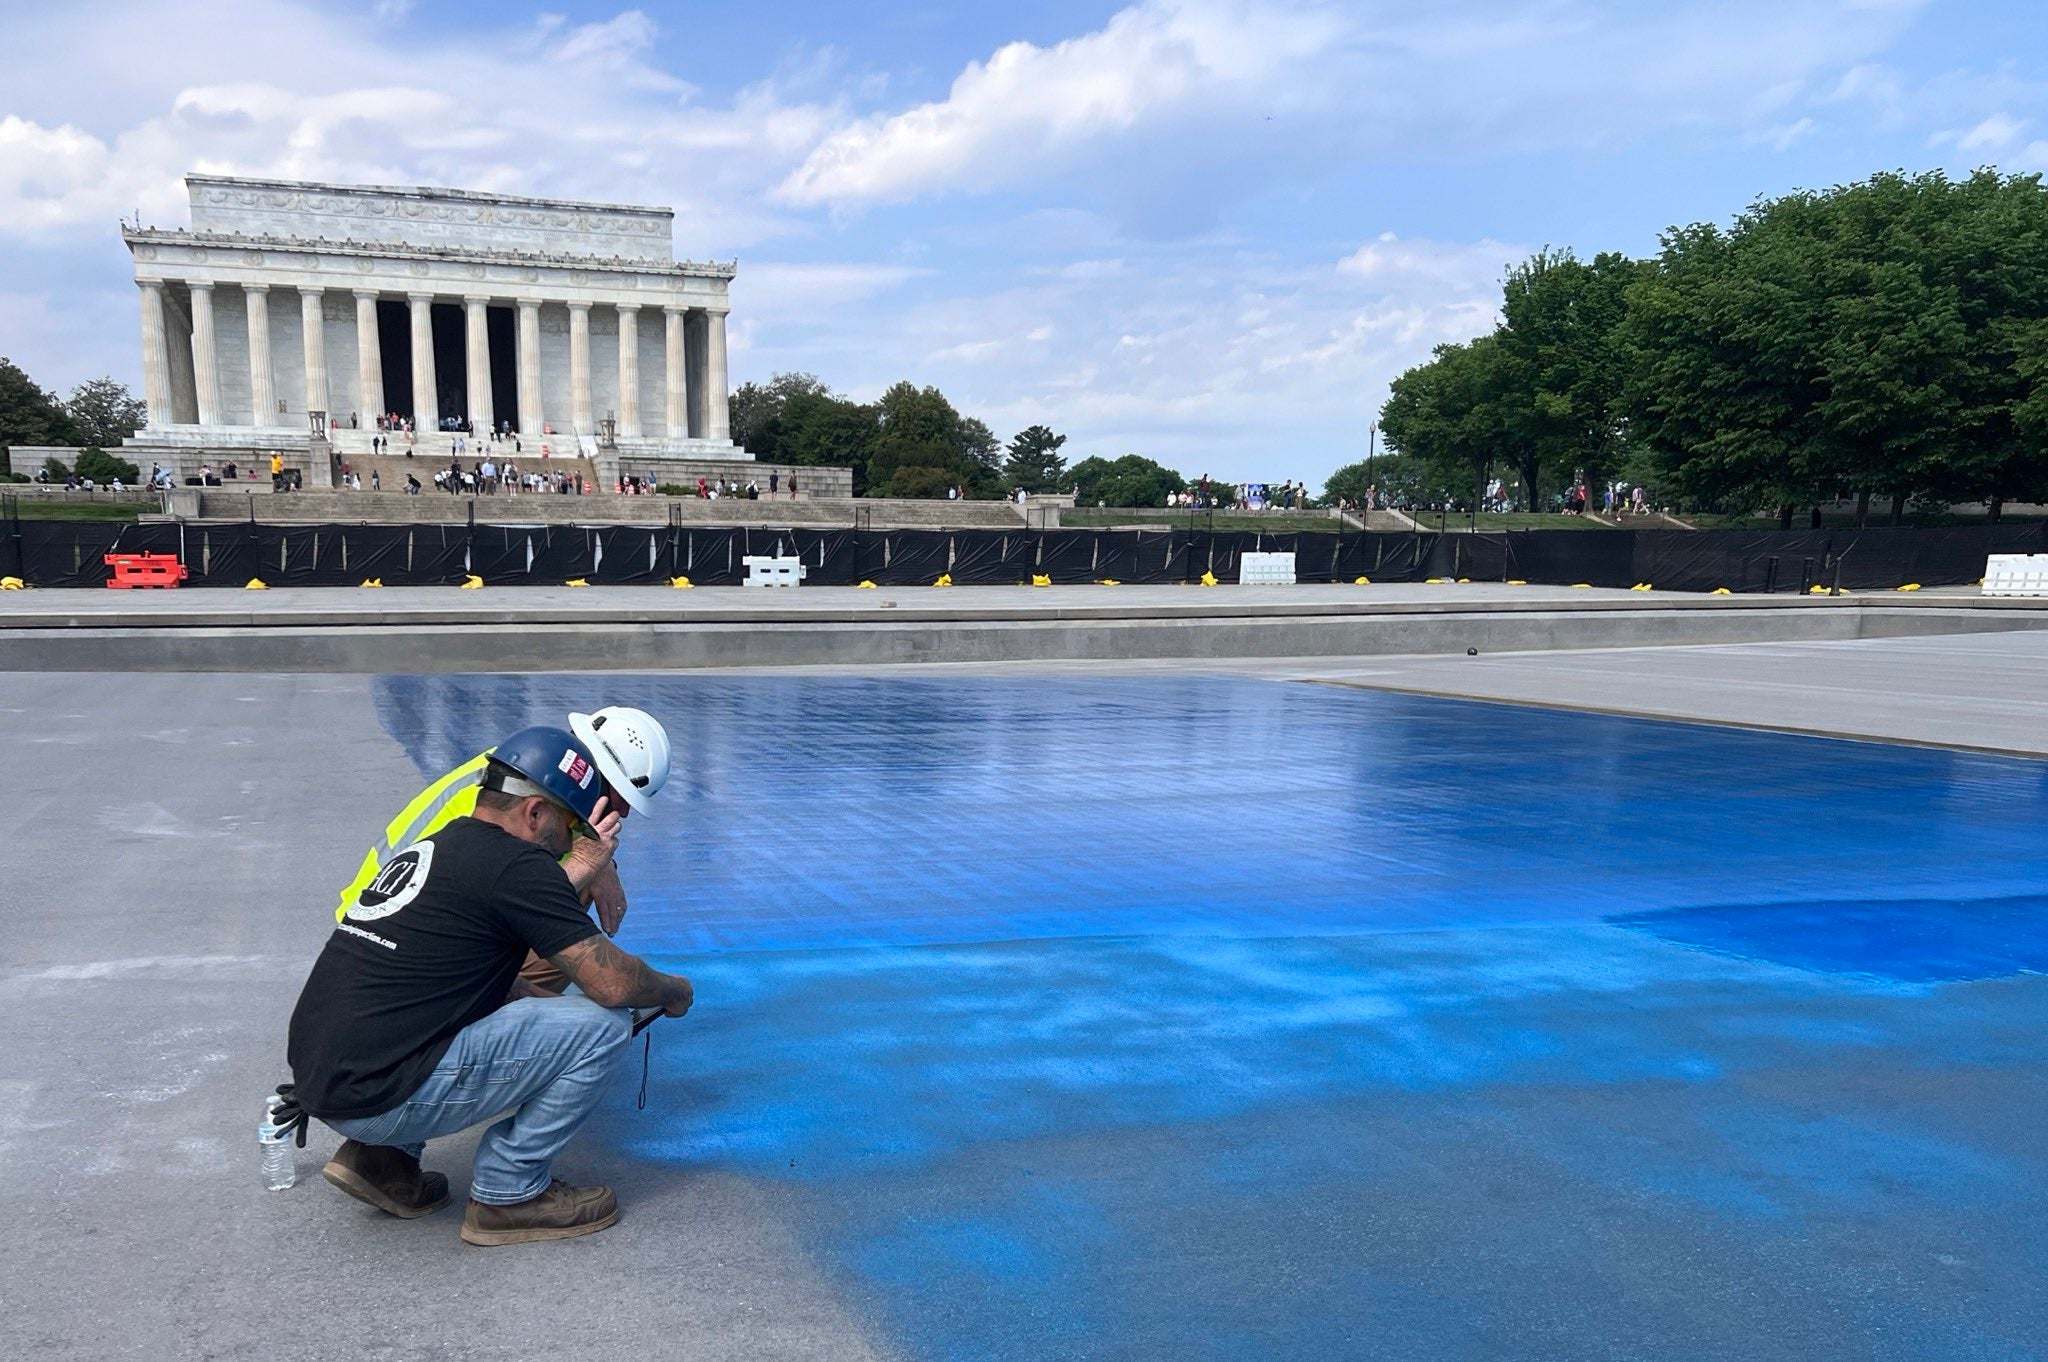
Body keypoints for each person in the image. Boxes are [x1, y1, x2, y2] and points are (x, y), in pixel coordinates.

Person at [289, 725, 693, 1246]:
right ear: (534, 813)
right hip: (375, 1096)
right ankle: (510, 1194)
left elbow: (479, 984)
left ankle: (384, 1161)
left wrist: (541, 1021)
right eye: (572, 823)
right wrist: (671, 990)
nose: (575, 840)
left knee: (512, 997)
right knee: (602, 1024)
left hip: (332, 1080)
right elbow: (613, 984)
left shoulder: (445, 844)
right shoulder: (516, 865)